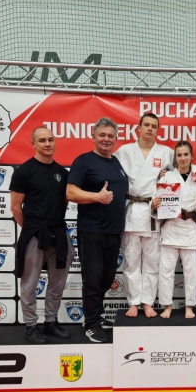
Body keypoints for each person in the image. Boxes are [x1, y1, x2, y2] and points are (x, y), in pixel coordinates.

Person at [10, 126, 74, 344]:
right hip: (35, 233)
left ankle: (50, 322)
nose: (47, 144)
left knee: (58, 282)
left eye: (50, 139)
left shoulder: (62, 173)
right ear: (33, 144)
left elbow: (63, 203)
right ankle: (30, 326)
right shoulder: (24, 172)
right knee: (30, 283)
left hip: (59, 232)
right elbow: (15, 207)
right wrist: (31, 229)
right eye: (42, 140)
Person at [66, 117, 128, 343]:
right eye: (102, 135)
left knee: (106, 278)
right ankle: (92, 324)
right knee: (92, 279)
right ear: (93, 136)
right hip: (92, 230)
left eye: (111, 136)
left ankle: (94, 316)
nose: (106, 139)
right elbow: (70, 192)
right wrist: (96, 197)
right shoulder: (84, 161)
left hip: (114, 231)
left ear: (116, 139)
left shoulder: (116, 162)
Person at [113, 113, 173, 318]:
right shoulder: (124, 151)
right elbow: (112, 173)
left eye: (154, 126)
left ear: (157, 130)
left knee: (152, 263)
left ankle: (148, 302)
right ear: (138, 128)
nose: (149, 129)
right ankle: (133, 302)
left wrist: (170, 176)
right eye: (146, 125)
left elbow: (179, 174)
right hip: (131, 211)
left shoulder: (166, 153)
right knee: (131, 261)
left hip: (154, 213)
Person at [152, 141, 196, 319]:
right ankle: (167, 306)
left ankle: (189, 307)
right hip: (171, 228)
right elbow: (156, 201)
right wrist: (155, 204)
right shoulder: (167, 178)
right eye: (179, 155)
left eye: (186, 154)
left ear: (192, 156)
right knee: (166, 271)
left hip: (190, 229)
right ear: (175, 158)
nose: (183, 158)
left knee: (192, 272)